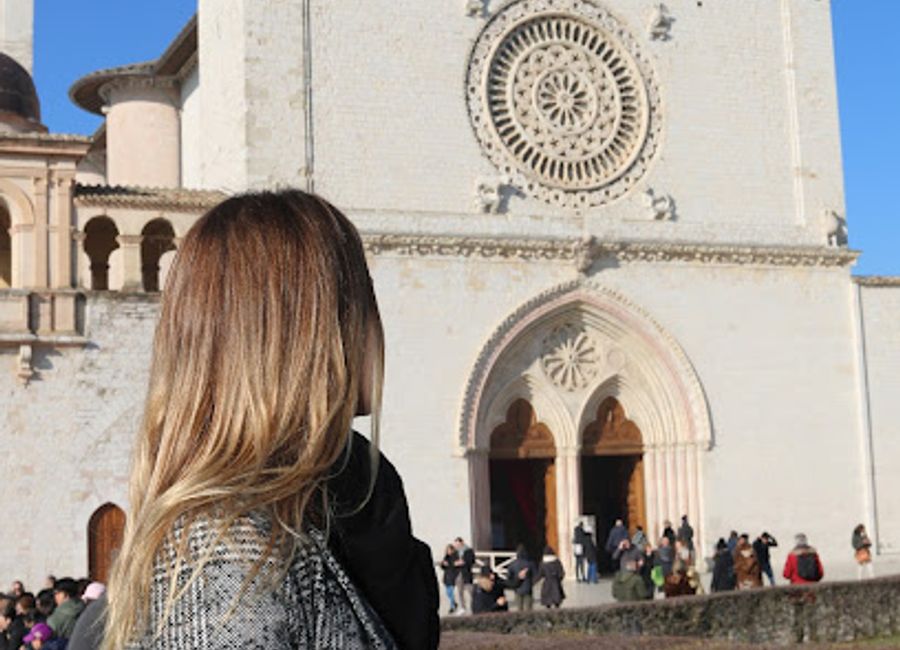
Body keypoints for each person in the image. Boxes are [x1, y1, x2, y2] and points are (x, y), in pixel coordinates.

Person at [87, 191, 439, 649]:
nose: (377, 325)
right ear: (308, 327)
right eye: (361, 296)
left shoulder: (337, 511)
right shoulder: (224, 559)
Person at [506, 544, 536, 612]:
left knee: (519, 609)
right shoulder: (530, 563)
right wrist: (531, 583)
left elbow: (509, 576)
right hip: (528, 588)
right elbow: (535, 575)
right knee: (528, 609)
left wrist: (513, 583)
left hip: (517, 588)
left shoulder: (513, 564)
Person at [453, 537, 476, 615]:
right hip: (458, 573)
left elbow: (472, 561)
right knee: (460, 592)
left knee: (470, 590)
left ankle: (474, 605)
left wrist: (464, 562)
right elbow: (451, 561)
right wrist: (454, 563)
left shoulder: (469, 550)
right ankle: (462, 607)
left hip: (466, 573)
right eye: (455, 544)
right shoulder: (455, 552)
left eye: (458, 544)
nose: (456, 546)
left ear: (462, 543)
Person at [440, 544, 460, 614]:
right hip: (446, 576)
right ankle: (454, 603)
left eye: (449, 550)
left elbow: (455, 565)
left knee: (451, 591)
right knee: (448, 592)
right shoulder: (446, 557)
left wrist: (448, 564)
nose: (448, 551)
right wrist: (443, 564)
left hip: (452, 576)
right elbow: (442, 566)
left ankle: (452, 607)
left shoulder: (455, 556)